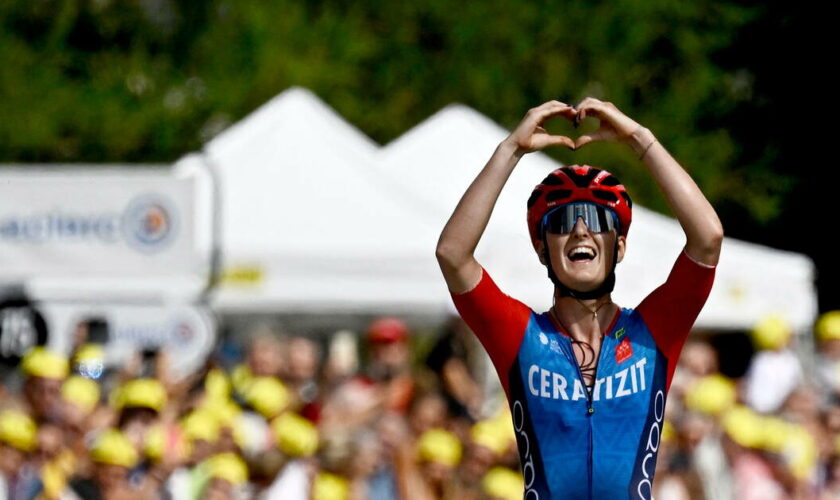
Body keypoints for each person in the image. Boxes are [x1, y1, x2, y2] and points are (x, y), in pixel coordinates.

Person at [435, 98, 722, 499]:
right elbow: (452, 254)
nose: (582, 231)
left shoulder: (652, 332)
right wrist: (510, 151)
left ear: (619, 246)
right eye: (564, 222)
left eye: (600, 221)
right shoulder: (522, 337)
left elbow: (708, 239)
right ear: (542, 250)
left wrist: (640, 140)